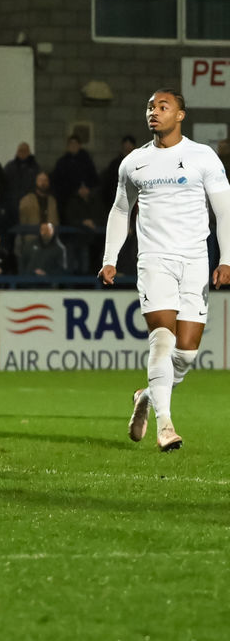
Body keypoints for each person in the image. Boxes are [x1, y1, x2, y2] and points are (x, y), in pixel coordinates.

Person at [100, 88, 230, 453]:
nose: (154, 112)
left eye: (163, 106)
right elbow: (121, 210)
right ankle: (166, 427)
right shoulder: (133, 162)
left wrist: (226, 259)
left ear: (180, 115)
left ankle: (146, 396)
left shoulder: (202, 156)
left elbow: (224, 210)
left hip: (195, 262)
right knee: (162, 336)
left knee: (186, 354)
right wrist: (110, 257)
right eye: (150, 107)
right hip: (154, 260)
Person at [3, 141, 41, 208]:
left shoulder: (35, 167)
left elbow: (38, 184)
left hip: (29, 203)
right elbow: (3, 182)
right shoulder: (9, 167)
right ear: (17, 152)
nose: (23, 153)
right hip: (12, 203)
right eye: (20, 150)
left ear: (29, 152)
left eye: (25, 150)